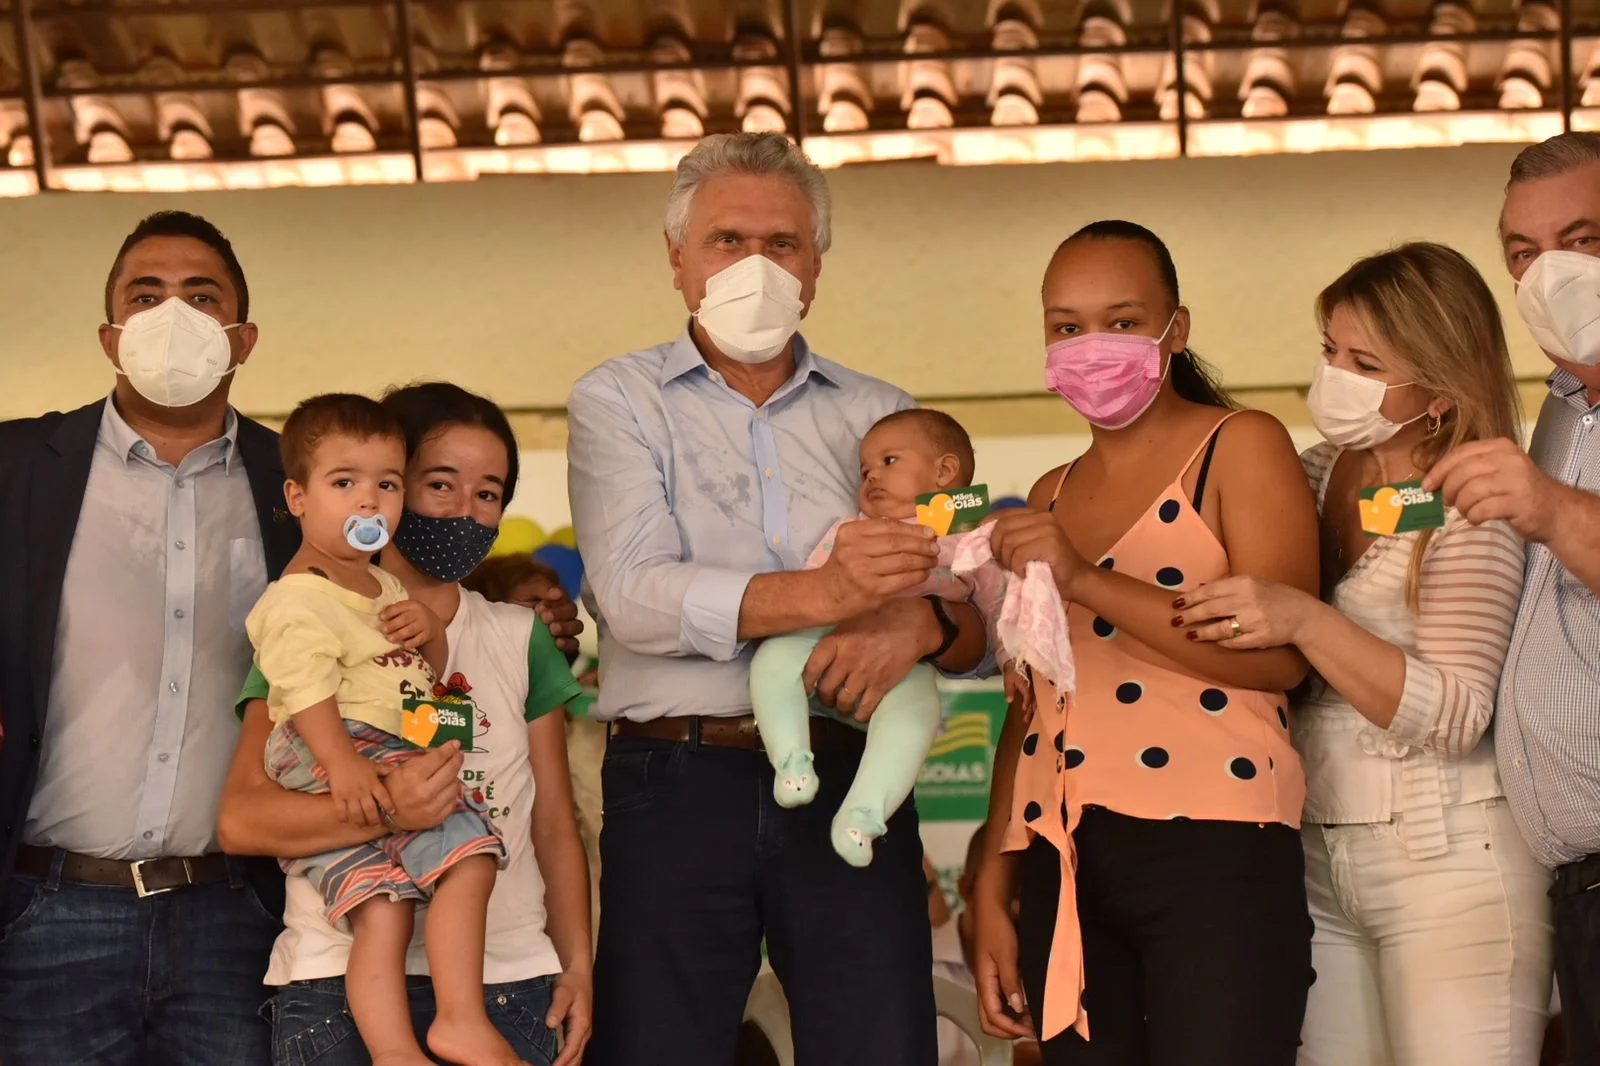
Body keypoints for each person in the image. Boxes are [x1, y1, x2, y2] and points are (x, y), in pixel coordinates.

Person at [567, 130, 993, 1066]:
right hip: (675, 779)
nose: (755, 265)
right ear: (676, 257)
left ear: (817, 265)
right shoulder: (619, 400)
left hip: (847, 771)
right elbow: (635, 598)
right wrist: (829, 592)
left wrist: (920, 623)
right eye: (727, 241)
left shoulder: (884, 412)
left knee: (880, 1047)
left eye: (784, 244)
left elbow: (967, 599)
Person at [1176, 243, 1554, 1065]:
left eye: (1365, 362)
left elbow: (1457, 713)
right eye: (1329, 350)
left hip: (1448, 859)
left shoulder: (1471, 503)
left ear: (1441, 391)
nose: (1334, 376)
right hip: (1316, 849)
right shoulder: (1314, 472)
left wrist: (1306, 620)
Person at [971, 220, 1320, 1066]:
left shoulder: (1240, 445)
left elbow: (1285, 657)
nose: (1093, 346)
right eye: (1067, 326)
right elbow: (1031, 706)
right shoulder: (1049, 495)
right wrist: (993, 875)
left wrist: (1088, 580)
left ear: (1177, 328)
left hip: (1218, 843)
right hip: (1066, 854)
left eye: (1122, 321)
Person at [218, 383, 592, 1066]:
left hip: (509, 983)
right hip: (334, 987)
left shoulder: (517, 636)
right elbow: (242, 820)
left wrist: (577, 964)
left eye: (489, 492)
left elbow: (552, 822)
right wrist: (392, 807)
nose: (463, 510)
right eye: (437, 483)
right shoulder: (307, 624)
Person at [0, 211, 294, 1064]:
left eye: (202, 297)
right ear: (110, 334)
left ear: (241, 339)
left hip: (238, 917)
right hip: (47, 910)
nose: (175, 313)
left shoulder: (300, 484)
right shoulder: (18, 469)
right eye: (148, 294)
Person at [1426, 130, 1600, 1065]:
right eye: (1525, 255)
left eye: (1584, 241)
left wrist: (1548, 507)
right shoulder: (1563, 407)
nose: (1549, 277)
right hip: (1573, 881)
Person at [750, 408, 1006, 866]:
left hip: (906, 665)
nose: (870, 478)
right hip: (824, 635)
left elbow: (994, 614)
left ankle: (864, 813)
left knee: (916, 716)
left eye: (888, 462)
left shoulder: (972, 540)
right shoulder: (851, 531)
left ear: (944, 472)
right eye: (864, 471)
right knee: (773, 660)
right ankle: (791, 760)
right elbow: (818, 584)